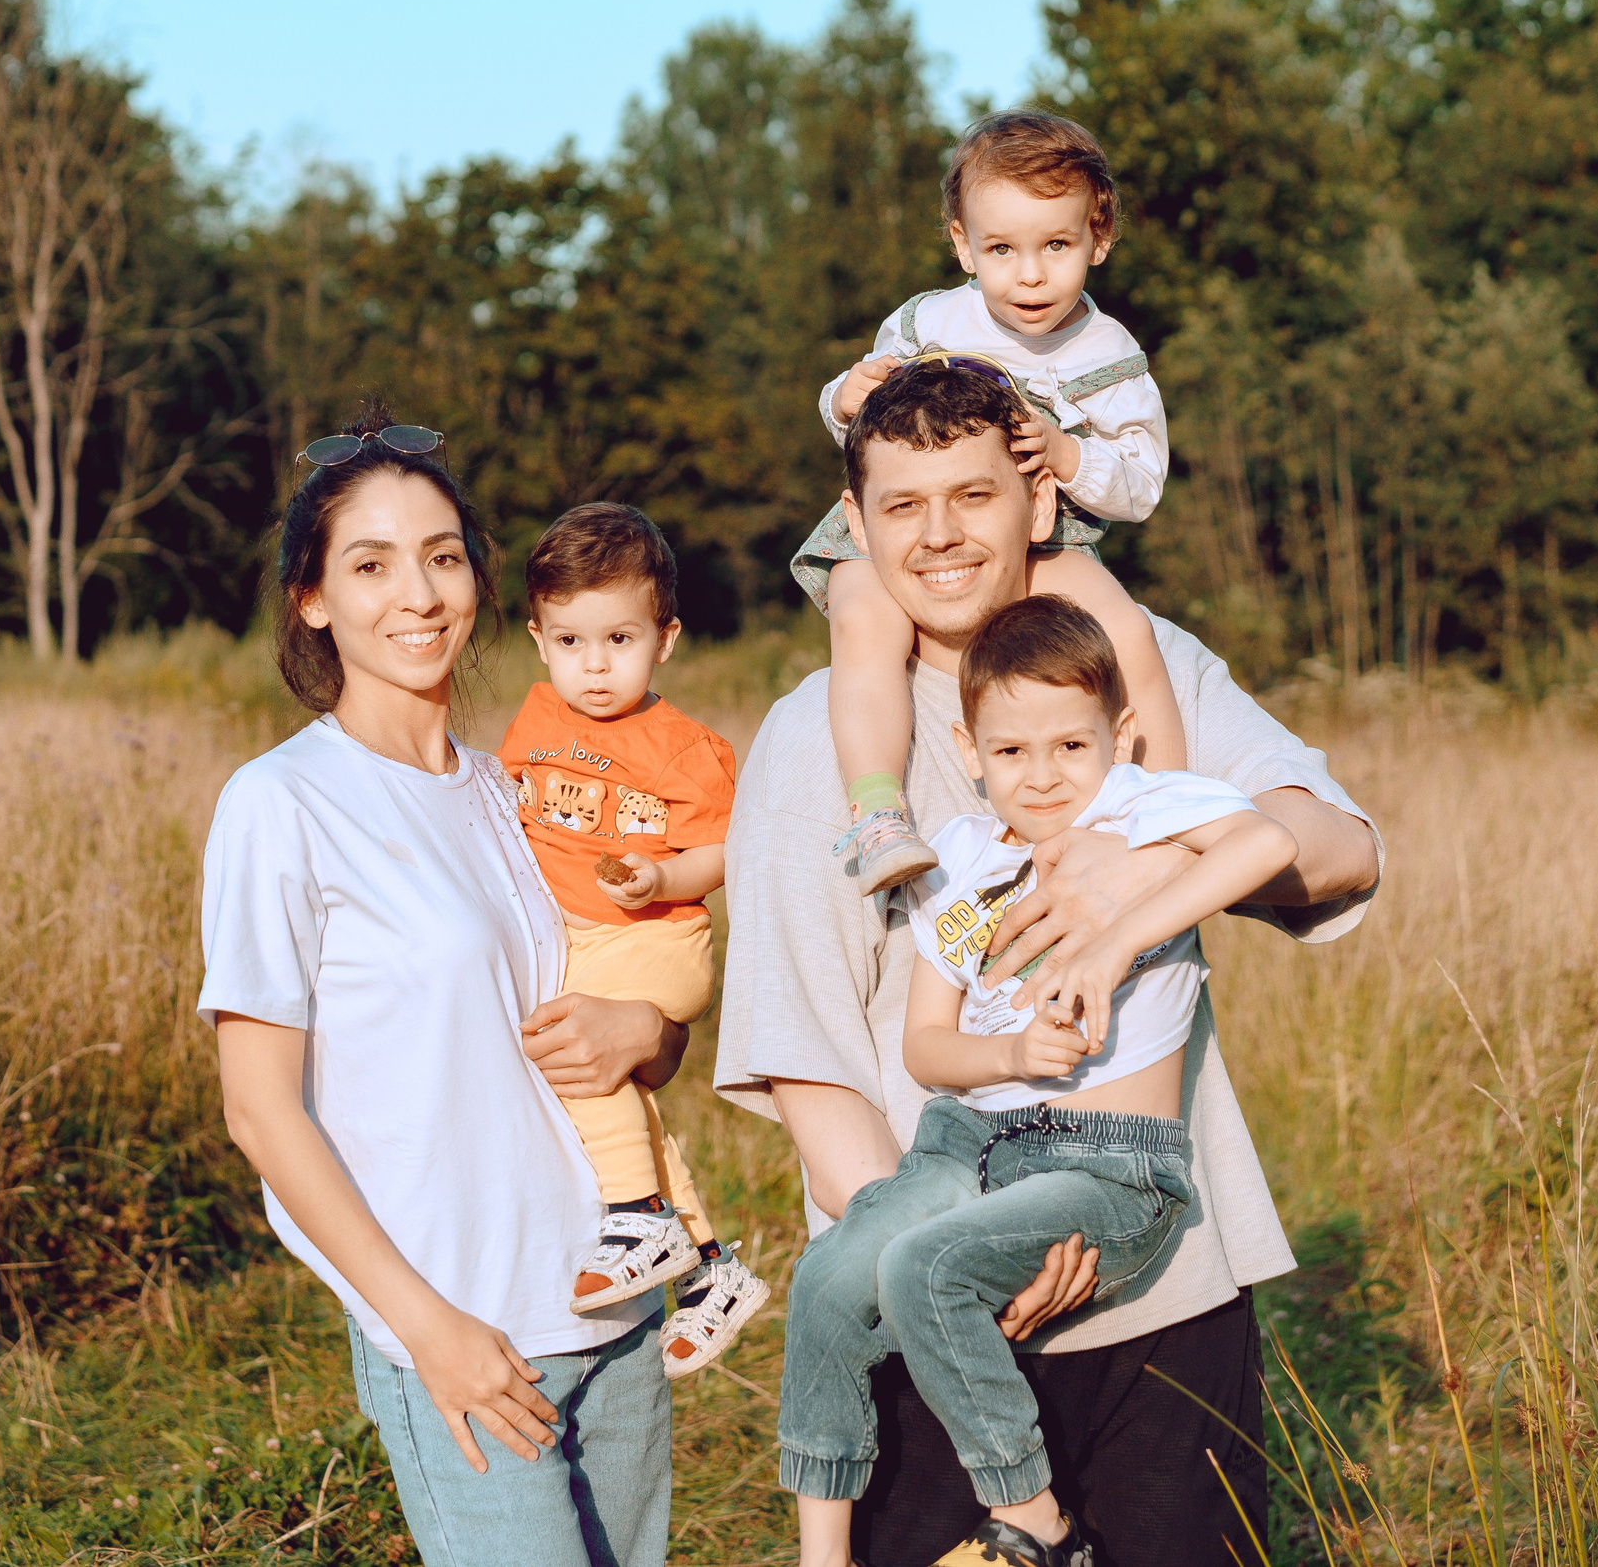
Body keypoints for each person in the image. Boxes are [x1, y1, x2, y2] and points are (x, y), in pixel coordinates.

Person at [716, 362, 1384, 1567]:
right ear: (854, 529)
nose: (940, 535)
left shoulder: (1136, 667)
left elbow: (1345, 850)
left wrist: (1151, 867)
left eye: (972, 495)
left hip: (1165, 1286)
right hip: (926, 1313)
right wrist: (971, 1253)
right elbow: (802, 1051)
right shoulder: (807, 736)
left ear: (1036, 503)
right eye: (903, 506)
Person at [201, 407, 679, 1567]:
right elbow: (259, 1109)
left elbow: (611, 1027)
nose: (416, 594)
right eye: (370, 564)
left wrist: (648, 1029)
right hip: (467, 1334)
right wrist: (426, 1331)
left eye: (443, 556)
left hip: (613, 1310)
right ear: (311, 598)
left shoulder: (520, 790)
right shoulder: (283, 804)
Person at [779, 594, 1299, 1567]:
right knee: (831, 1274)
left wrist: (1111, 950)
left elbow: (1267, 844)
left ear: (1120, 736)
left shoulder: (1144, 813)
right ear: (969, 751)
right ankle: (821, 1553)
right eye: (1011, 752)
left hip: (1106, 1163)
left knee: (921, 1269)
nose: (1044, 775)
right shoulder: (964, 862)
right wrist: (1011, 1057)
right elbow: (928, 1048)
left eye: (1071, 745)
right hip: (968, 1138)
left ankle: (1035, 1521)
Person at [794, 109, 1187, 896]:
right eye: (1001, 250)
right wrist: (846, 394)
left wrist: (1069, 453)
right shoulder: (928, 319)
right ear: (963, 244)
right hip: (905, 528)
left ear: (1098, 239)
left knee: (1126, 630)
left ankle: (1168, 806)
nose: (1030, 275)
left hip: (1047, 538)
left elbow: (1143, 480)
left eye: (1057, 246)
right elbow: (857, 415)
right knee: (864, 622)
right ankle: (878, 814)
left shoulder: (1106, 356)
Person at [496, 502, 772, 1376]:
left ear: (667, 637)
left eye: (619, 638)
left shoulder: (685, 747)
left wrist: (663, 878)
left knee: (575, 1047)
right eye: (572, 641)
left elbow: (723, 848)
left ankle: (637, 1213)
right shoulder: (536, 723)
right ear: (540, 639)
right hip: (586, 937)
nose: (596, 664)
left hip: (655, 935)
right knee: (613, 1085)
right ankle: (711, 1269)